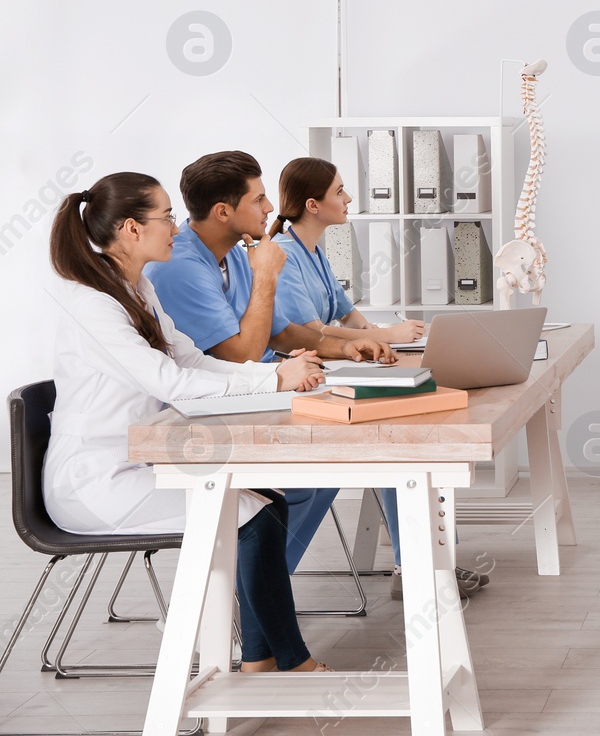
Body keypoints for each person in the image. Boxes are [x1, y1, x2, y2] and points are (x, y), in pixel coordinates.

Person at [45, 172, 329, 672]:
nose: (176, 227)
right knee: (254, 515)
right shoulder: (92, 303)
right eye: (166, 216)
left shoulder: (138, 288)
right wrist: (272, 381)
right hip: (97, 483)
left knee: (269, 500)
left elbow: (191, 362)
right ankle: (288, 662)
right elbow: (170, 383)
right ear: (132, 228)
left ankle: (260, 662)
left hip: (143, 462)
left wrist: (273, 376)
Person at [147, 150, 392, 584]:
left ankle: (259, 597)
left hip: (257, 389)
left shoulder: (239, 252)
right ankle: (249, 597)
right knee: (309, 475)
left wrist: (344, 350)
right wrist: (265, 278)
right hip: (211, 411)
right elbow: (238, 354)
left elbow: (281, 334)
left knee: (336, 460)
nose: (270, 208)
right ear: (224, 212)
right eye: (259, 199)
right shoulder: (183, 267)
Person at [269, 156, 489, 598]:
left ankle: (422, 563)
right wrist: (382, 334)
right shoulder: (285, 254)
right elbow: (306, 331)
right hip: (305, 377)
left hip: (334, 370)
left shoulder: (315, 251)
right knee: (397, 439)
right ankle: (420, 566)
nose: (349, 198)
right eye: (340, 192)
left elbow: (346, 313)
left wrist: (382, 340)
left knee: (406, 430)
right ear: (313, 205)